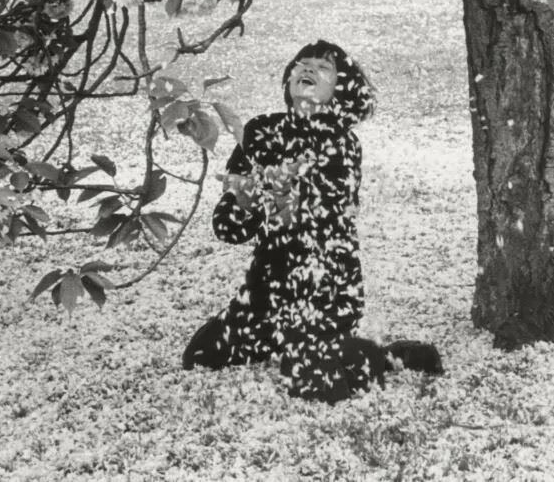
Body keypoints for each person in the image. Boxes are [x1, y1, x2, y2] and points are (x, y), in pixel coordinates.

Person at [182, 39, 443, 404]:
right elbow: (228, 229)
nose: (307, 69)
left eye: (322, 68)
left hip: (325, 294)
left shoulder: (343, 144)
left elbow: (325, 222)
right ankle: (285, 343)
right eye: (301, 63)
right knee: (200, 357)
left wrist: (282, 192)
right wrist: (243, 203)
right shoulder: (257, 133)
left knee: (319, 391)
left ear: (341, 91)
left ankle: (382, 357)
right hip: (266, 295)